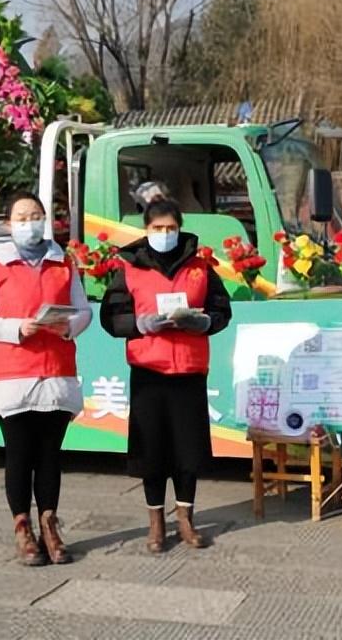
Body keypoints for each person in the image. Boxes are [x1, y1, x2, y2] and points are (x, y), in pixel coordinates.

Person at [99, 198, 233, 552]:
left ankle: (185, 517)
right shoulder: (129, 268)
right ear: (146, 230)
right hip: (149, 371)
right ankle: (156, 522)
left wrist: (202, 322)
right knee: (152, 450)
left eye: (170, 228)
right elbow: (111, 317)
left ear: (180, 228)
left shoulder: (201, 267)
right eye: (157, 228)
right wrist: (140, 324)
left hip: (189, 369)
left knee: (188, 451)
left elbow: (222, 309)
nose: (164, 234)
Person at [0, 191, 91, 565]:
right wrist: (18, 327)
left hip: (55, 372)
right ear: (9, 224)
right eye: (22, 217)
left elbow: (84, 310)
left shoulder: (62, 263)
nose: (30, 222)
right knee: (20, 455)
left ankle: (50, 523)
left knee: (50, 456)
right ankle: (23, 527)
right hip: (14, 375)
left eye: (36, 215)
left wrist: (68, 326)